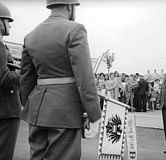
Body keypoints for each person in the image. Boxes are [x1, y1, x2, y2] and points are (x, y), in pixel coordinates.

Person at [19, 0, 101, 159]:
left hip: (37, 110)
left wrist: (30, 105)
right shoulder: (75, 29)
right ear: (70, 6)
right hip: (65, 112)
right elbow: (84, 76)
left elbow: (26, 78)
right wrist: (94, 114)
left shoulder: (30, 36)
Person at [0, 2, 21, 160]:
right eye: (8, 21)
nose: (10, 26)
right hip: (6, 111)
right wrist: (25, 73)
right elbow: (3, 78)